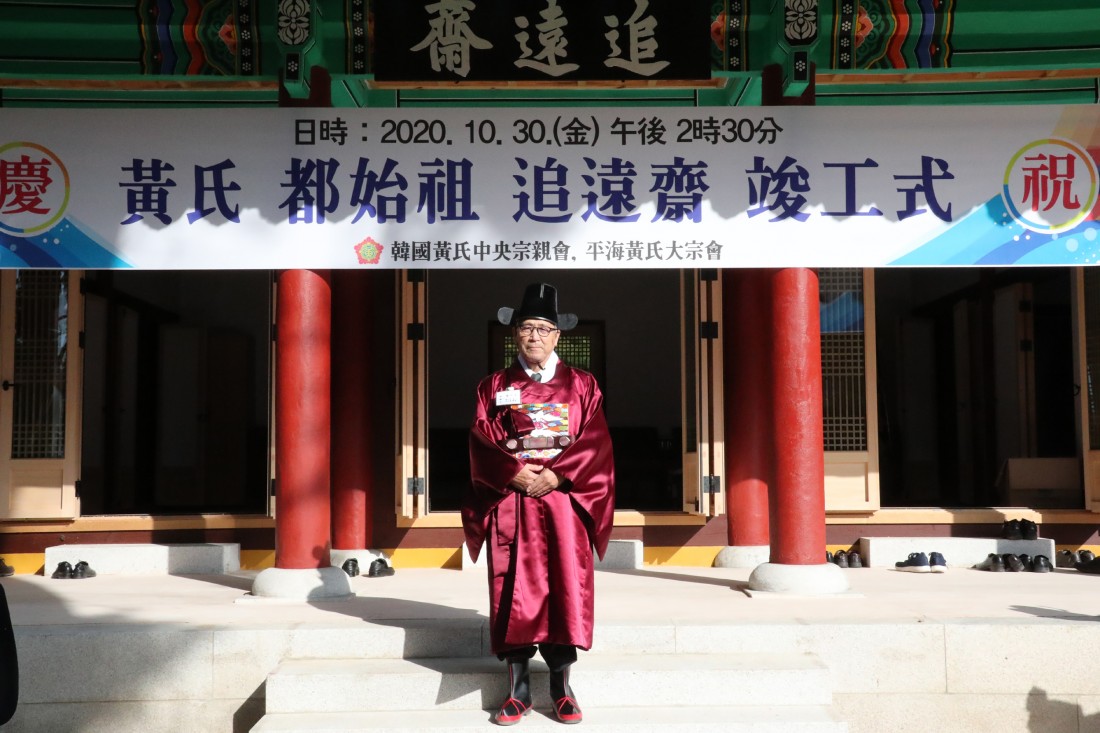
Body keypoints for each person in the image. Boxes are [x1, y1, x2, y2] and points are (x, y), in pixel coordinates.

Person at [464, 282, 615, 726]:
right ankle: (518, 691)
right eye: (527, 328)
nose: (534, 336)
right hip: (513, 501)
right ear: (515, 334)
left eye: (543, 329)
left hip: (563, 500)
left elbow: (596, 439)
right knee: (514, 588)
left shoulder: (583, 384)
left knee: (566, 586)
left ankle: (562, 689)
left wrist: (559, 473)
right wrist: (510, 471)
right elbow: (480, 439)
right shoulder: (494, 386)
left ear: (557, 336)